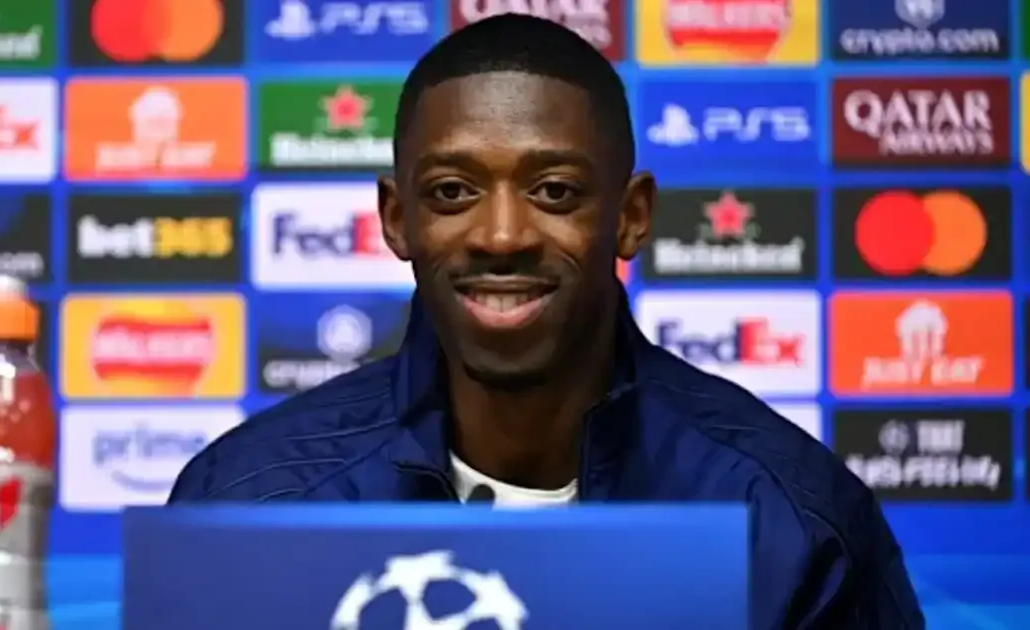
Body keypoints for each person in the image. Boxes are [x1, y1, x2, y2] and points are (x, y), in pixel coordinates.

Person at [170, 13, 924, 628]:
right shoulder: (247, 505)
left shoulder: (790, 522)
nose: (503, 236)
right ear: (397, 220)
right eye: (453, 192)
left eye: (555, 191)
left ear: (631, 217)